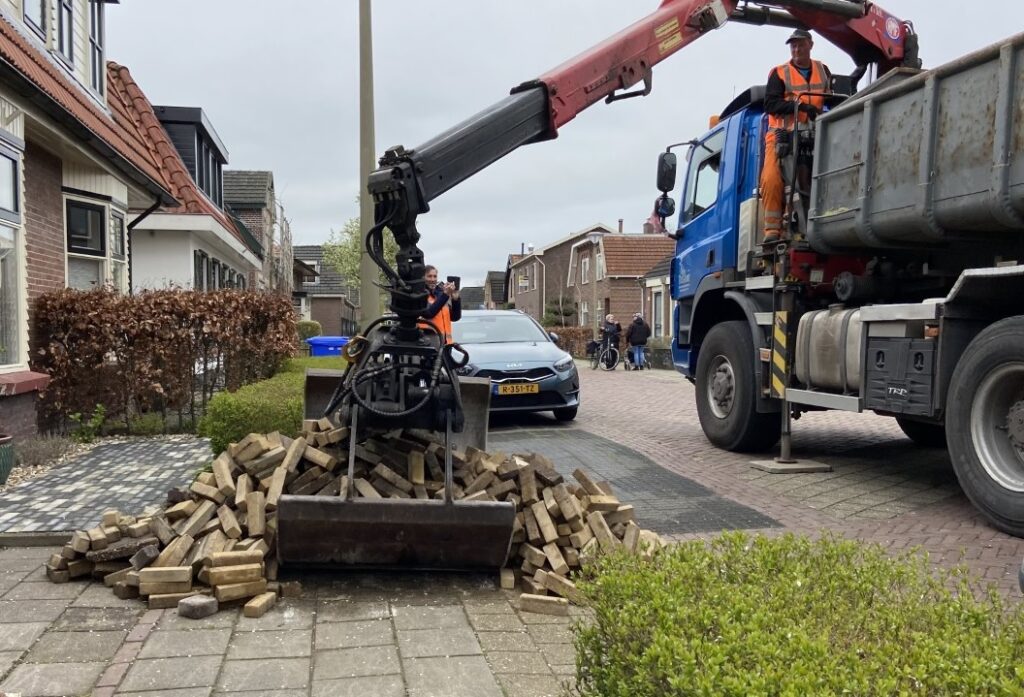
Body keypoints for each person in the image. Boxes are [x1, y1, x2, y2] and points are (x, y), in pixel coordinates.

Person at [759, 28, 832, 244]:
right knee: (771, 178)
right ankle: (772, 231)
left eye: (800, 44)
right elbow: (770, 104)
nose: (796, 49)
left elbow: (833, 99)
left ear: (810, 44)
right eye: (793, 46)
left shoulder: (823, 70)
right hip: (781, 135)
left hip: (815, 133)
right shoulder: (779, 73)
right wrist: (800, 107)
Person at [419, 265, 461, 344]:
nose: (432, 279)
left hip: (446, 344)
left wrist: (456, 300)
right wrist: (445, 294)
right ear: (423, 278)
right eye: (429, 276)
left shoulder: (441, 294)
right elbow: (429, 313)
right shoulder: (420, 294)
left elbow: (455, 317)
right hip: (428, 343)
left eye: (435, 276)